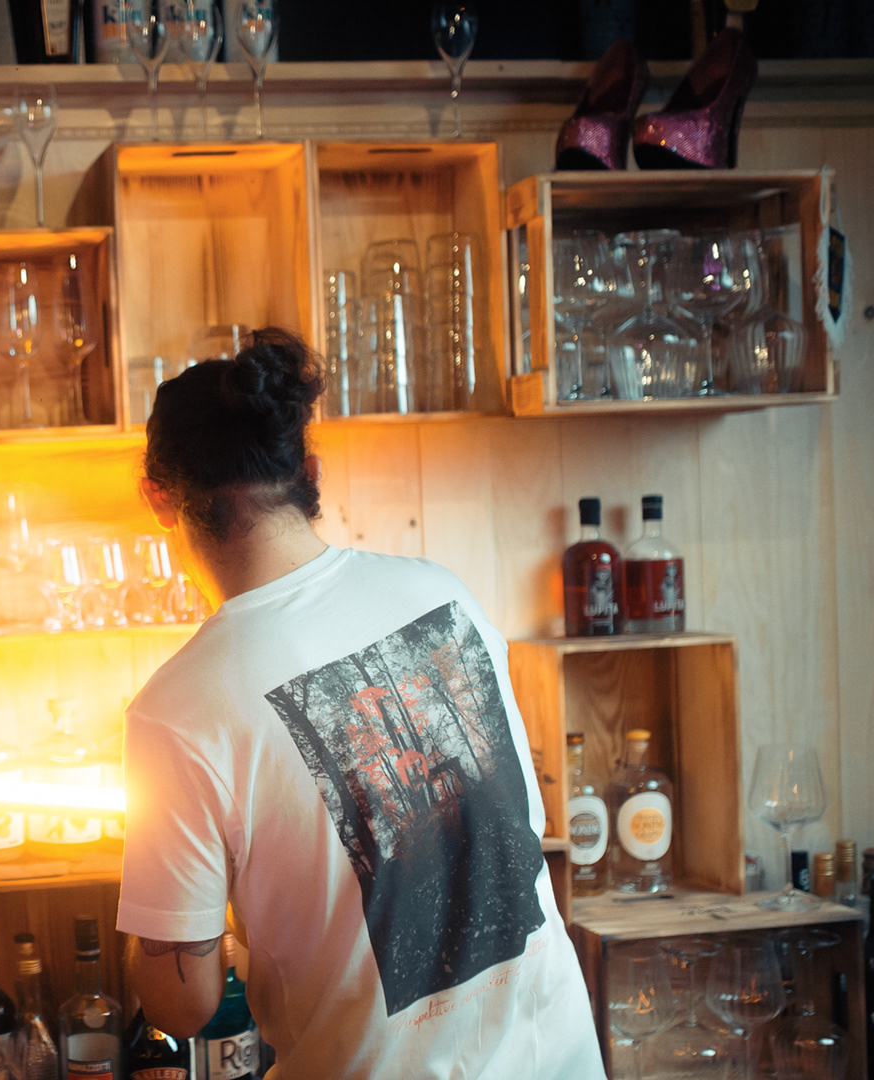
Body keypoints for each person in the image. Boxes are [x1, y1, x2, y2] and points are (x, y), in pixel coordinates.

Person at [119, 329, 603, 1079]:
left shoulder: (176, 711)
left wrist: (153, 899)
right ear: (307, 472)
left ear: (158, 496)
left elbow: (181, 1006)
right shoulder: (443, 594)